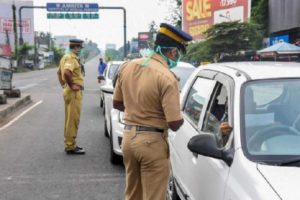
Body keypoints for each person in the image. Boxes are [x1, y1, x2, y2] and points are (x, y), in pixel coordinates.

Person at [113, 23, 192, 200]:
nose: (176, 58)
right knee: (154, 196)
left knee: (133, 194)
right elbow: (174, 123)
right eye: (178, 53)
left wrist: (138, 110)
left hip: (128, 139)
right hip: (152, 144)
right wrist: (184, 116)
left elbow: (117, 103)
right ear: (172, 52)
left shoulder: (127, 67)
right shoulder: (167, 77)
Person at [57, 39, 85, 155]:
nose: (81, 50)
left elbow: (59, 73)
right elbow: (66, 73)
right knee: (73, 120)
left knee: (69, 119)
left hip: (69, 91)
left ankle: (69, 143)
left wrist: (64, 85)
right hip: (73, 93)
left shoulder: (65, 57)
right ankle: (70, 146)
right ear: (76, 47)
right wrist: (71, 85)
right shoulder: (71, 58)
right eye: (80, 48)